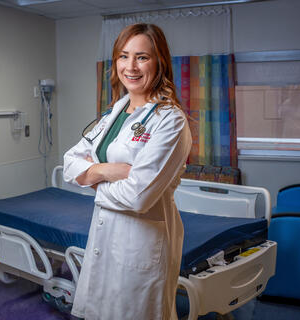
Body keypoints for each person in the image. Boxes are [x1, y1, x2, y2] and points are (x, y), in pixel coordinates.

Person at [63, 23, 192, 320]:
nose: (131, 66)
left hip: (141, 244)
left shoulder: (169, 120)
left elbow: (138, 197)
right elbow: (70, 163)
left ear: (159, 62)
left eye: (142, 57)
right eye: (123, 56)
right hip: (106, 238)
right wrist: (110, 170)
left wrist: (92, 177)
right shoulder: (115, 113)